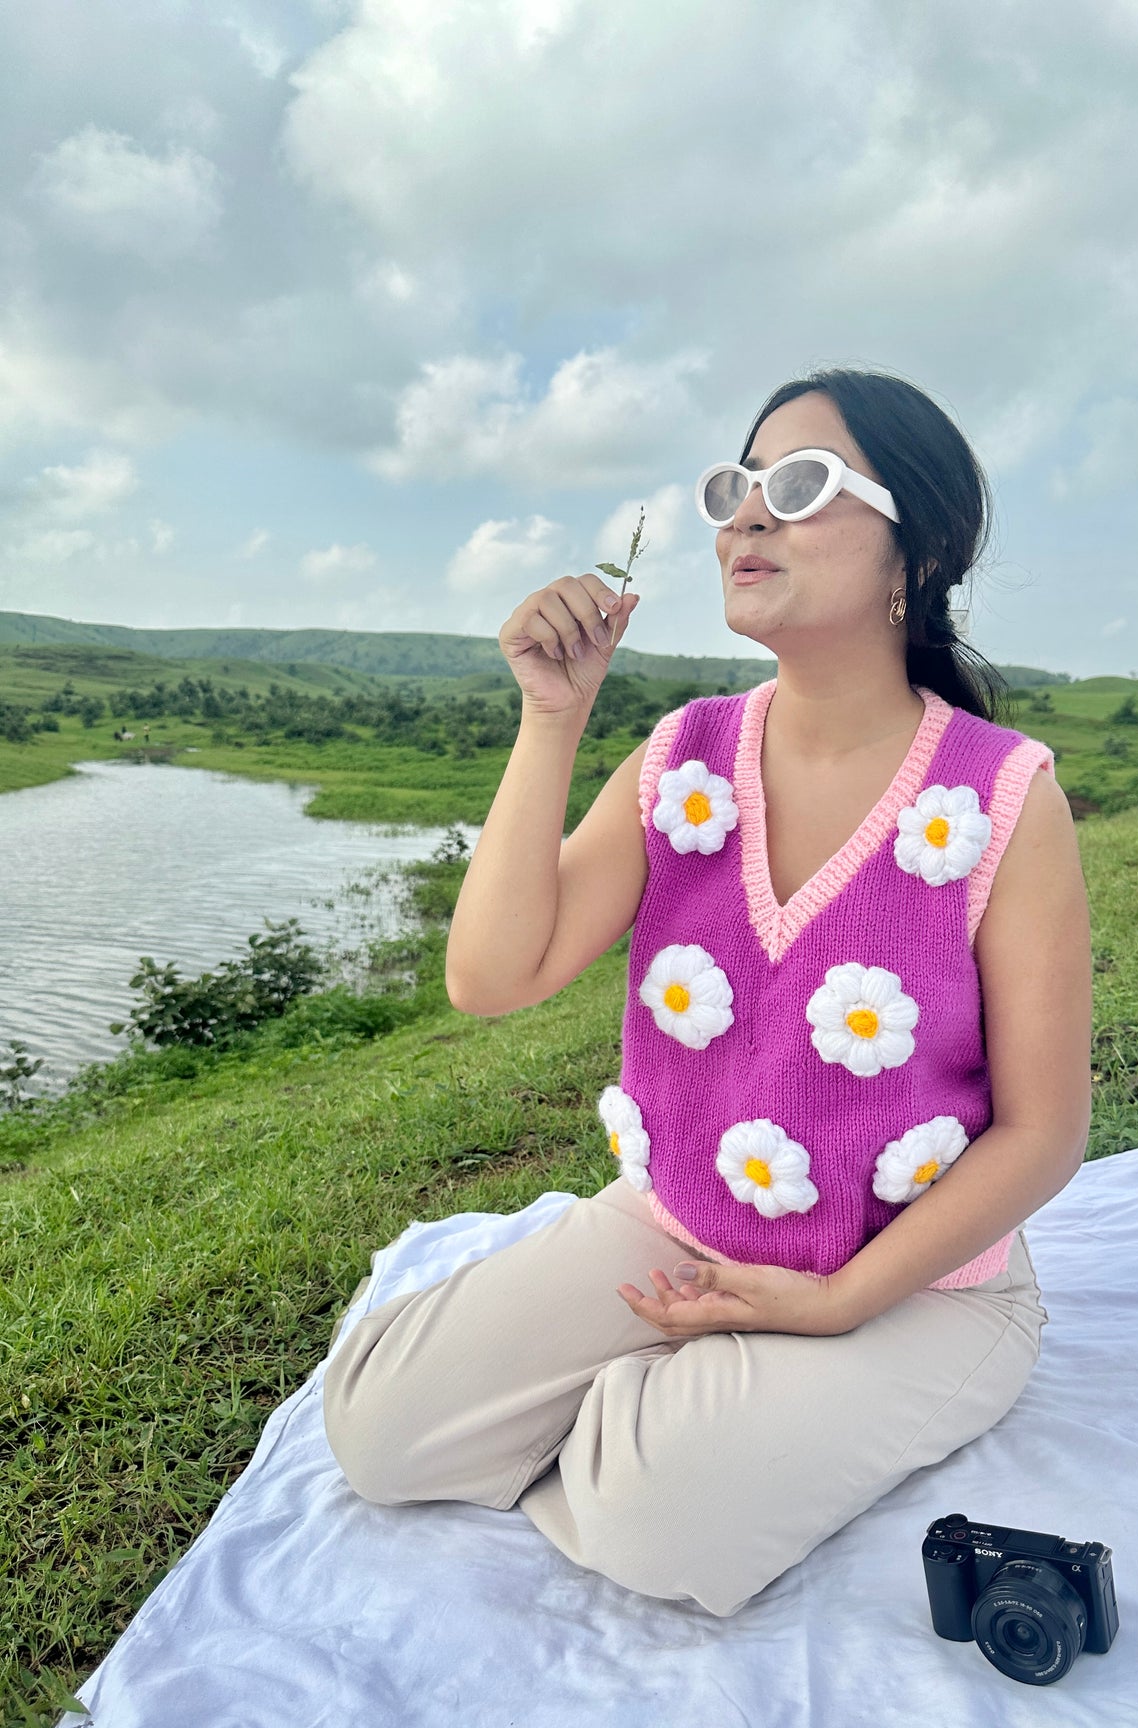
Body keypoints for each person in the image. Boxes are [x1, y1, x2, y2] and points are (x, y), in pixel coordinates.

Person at [323, 367, 1093, 1618]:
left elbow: (1044, 1130)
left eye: (802, 484)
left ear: (918, 550)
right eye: (735, 485)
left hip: (911, 1283)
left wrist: (834, 1303)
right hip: (678, 1224)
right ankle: (667, 1407)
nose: (747, 514)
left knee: (655, 1516)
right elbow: (491, 976)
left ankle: (674, 1427)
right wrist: (552, 719)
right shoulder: (682, 759)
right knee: (380, 1424)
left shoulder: (1001, 795)